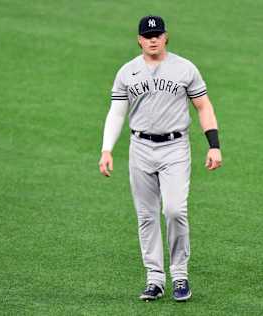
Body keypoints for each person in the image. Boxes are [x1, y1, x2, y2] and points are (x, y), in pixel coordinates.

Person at [98, 15, 222, 302]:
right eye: (147, 35)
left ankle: (180, 275)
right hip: (139, 147)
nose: (153, 39)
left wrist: (213, 145)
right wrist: (106, 149)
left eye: (158, 34)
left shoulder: (185, 68)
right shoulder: (127, 72)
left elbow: (203, 106)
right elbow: (117, 112)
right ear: (139, 39)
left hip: (175, 148)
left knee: (175, 210)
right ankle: (154, 279)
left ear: (166, 37)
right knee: (146, 215)